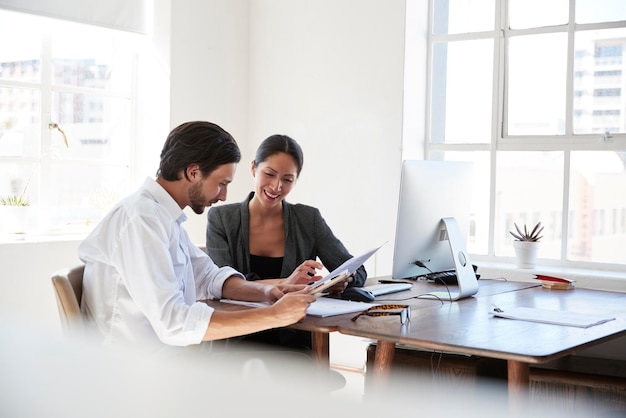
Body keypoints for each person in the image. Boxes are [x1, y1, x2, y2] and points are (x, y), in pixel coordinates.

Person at [78, 121, 316, 352]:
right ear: (193, 172)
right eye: (221, 183)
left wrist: (267, 292)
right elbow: (173, 323)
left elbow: (208, 277)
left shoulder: (164, 218)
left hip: (164, 364)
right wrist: (274, 316)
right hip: (134, 372)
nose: (223, 196)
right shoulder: (141, 220)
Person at [205, 134, 367, 350]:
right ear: (253, 168)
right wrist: (289, 282)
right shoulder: (222, 219)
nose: (276, 186)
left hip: (293, 338)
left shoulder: (308, 220)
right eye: (269, 174)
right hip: (237, 338)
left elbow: (357, 269)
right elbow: (222, 286)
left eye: (287, 179)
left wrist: (340, 281)